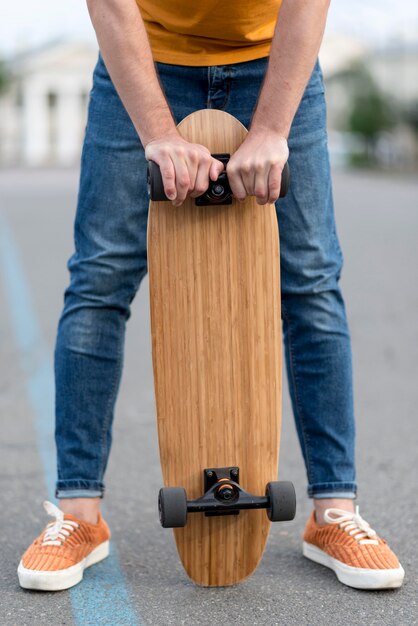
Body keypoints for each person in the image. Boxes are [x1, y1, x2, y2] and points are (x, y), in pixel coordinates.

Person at [18, 0, 404, 592]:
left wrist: (273, 127)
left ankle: (334, 513)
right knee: (100, 277)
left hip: (272, 60)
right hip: (146, 61)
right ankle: (78, 516)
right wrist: (157, 132)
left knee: (310, 280)